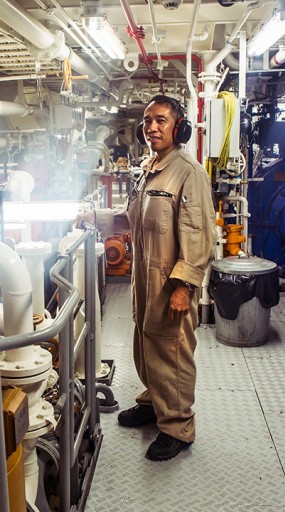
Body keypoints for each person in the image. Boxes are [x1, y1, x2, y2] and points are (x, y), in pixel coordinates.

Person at [78, 95, 216, 461]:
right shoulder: (151, 167)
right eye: (147, 120)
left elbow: (200, 235)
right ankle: (155, 403)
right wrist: (98, 219)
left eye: (161, 120)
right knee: (146, 344)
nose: (152, 127)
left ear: (178, 127)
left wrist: (184, 287)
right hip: (145, 276)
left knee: (171, 352)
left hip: (171, 280)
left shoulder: (188, 172)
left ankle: (177, 426)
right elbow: (137, 219)